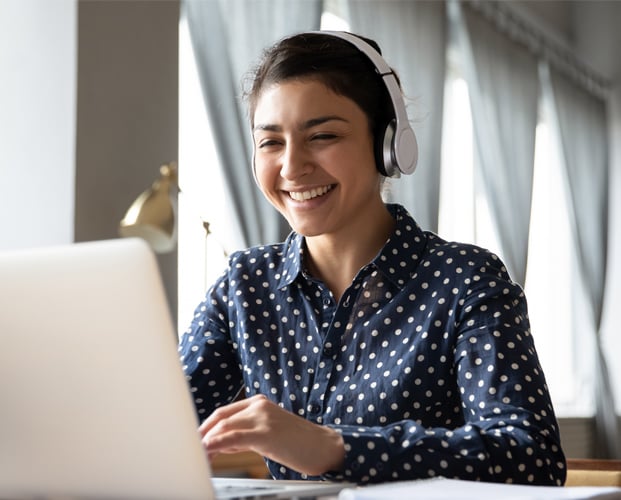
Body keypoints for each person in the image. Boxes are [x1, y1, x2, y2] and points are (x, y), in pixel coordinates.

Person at [178, 30, 567, 486]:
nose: (291, 167)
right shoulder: (245, 285)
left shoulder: (465, 280)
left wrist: (334, 447)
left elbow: (531, 456)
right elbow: (161, 427)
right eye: (270, 142)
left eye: (322, 135)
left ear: (388, 145)